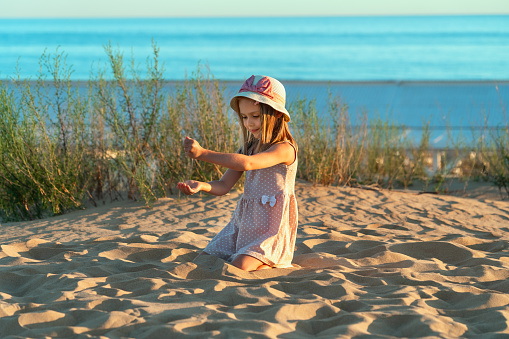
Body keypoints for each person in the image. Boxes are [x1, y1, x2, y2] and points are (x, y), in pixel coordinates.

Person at [177, 75, 298, 271]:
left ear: (276, 114)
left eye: (255, 115)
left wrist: (202, 153)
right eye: (244, 117)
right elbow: (223, 186)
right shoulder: (248, 148)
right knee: (204, 260)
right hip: (243, 225)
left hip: (270, 230)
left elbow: (249, 164)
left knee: (240, 265)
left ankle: (269, 265)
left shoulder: (284, 149)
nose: (249, 123)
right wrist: (201, 186)